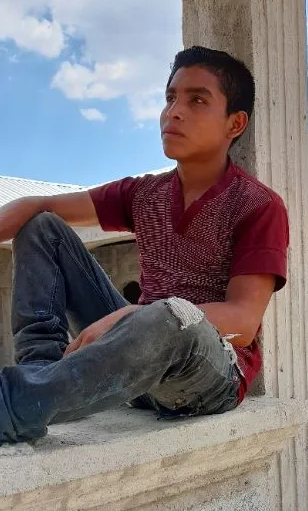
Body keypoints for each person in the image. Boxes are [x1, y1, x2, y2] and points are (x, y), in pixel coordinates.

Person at [0, 46, 289, 444]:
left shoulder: (258, 205)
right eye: (171, 98)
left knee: (169, 314)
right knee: (43, 227)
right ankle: (43, 378)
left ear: (234, 124)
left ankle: (12, 404)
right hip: (141, 354)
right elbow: (37, 205)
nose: (174, 112)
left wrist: (124, 319)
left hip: (207, 374)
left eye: (197, 100)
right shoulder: (144, 194)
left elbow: (242, 320)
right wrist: (131, 318)